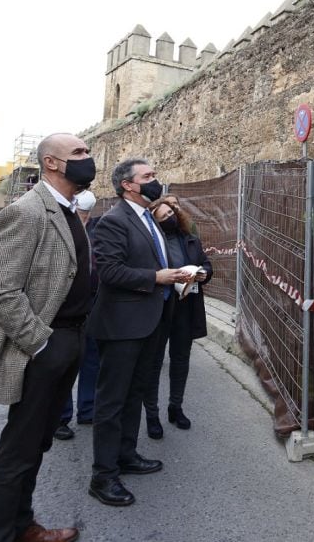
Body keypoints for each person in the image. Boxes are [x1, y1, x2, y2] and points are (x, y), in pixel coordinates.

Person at [0, 132, 96, 542]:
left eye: (87, 152)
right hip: (43, 346)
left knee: (38, 443)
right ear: (51, 163)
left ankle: (22, 526)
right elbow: (0, 291)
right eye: (78, 152)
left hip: (69, 342)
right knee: (18, 451)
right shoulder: (28, 211)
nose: (87, 158)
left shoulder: (67, 210)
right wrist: (41, 344)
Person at [86, 159, 194, 507]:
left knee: (135, 394)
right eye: (148, 177)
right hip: (122, 326)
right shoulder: (113, 221)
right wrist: (157, 278)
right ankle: (103, 476)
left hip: (152, 321)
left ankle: (126, 455)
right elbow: (111, 272)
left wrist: (176, 277)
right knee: (112, 401)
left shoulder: (149, 220)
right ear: (128, 185)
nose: (155, 181)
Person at [142, 196, 213, 438]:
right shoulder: (151, 244)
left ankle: (176, 407)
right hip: (159, 308)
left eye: (170, 214)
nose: (168, 219)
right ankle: (152, 415)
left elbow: (205, 264)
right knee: (153, 363)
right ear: (154, 224)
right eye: (162, 218)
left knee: (180, 360)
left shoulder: (190, 239)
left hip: (185, 306)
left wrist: (203, 274)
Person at [53, 190, 101, 442]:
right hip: (64, 305)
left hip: (92, 302)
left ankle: (88, 409)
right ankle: (60, 418)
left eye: (85, 214)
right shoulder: (59, 225)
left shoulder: (97, 228)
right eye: (79, 213)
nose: (82, 218)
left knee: (91, 358)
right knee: (64, 361)